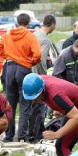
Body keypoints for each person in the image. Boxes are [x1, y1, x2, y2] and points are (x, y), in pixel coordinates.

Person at [22, 73, 78, 156]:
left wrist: (56, 134)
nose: (33, 101)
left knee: (62, 146)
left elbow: (77, 117)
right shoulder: (39, 80)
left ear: (41, 91)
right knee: (62, 145)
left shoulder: (55, 95)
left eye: (35, 97)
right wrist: (61, 108)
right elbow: (64, 93)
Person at [0, 13, 41, 143]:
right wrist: (30, 61)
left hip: (9, 69)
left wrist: (9, 56)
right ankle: (21, 136)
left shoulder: (7, 34)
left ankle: (8, 136)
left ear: (17, 22)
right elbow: (38, 54)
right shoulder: (30, 36)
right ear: (28, 23)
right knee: (25, 104)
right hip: (24, 69)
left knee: (10, 105)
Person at [29, 15, 56, 144]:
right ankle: (36, 135)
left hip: (27, 74)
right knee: (39, 106)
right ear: (52, 25)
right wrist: (43, 77)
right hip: (37, 76)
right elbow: (41, 59)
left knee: (28, 107)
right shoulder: (45, 40)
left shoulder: (34, 34)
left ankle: (34, 132)